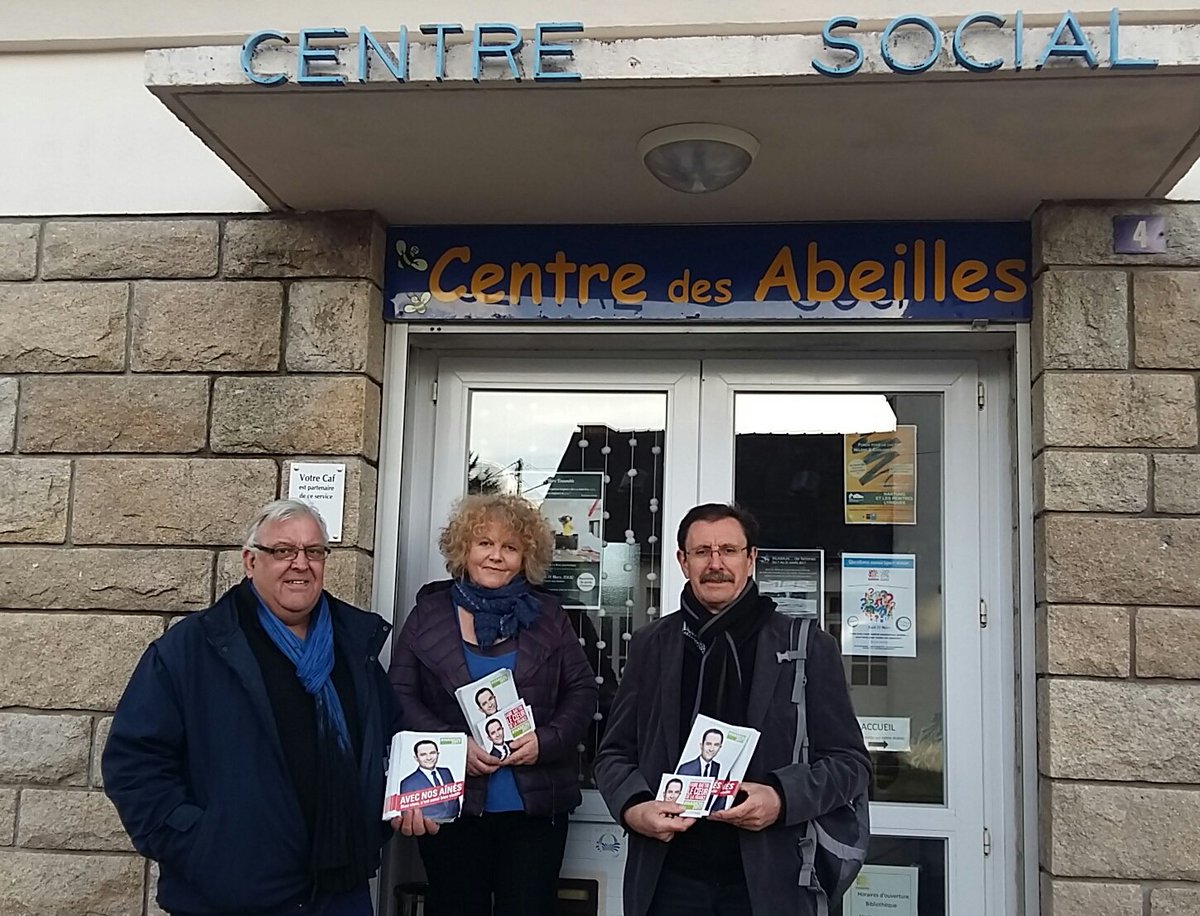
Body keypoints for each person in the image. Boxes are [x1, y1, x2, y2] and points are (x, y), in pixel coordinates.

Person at [102, 499, 408, 916]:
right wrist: (202, 845)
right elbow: (134, 764)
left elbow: (388, 742)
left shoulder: (355, 646)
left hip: (339, 889)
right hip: (230, 893)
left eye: (313, 552)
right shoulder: (191, 649)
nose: (300, 564)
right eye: (283, 551)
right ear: (250, 561)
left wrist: (408, 799)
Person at [594, 503, 870, 916]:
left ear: (751, 558)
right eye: (702, 552)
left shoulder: (805, 646)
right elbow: (613, 754)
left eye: (728, 550)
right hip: (670, 877)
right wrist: (634, 808)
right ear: (682, 562)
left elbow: (852, 765)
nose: (716, 563)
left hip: (770, 876)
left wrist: (781, 797)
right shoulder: (653, 645)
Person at [389, 493, 598, 916]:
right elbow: (397, 695)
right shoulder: (428, 614)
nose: (496, 557)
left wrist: (548, 740)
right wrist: (452, 747)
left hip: (535, 810)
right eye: (484, 543)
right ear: (464, 549)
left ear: (527, 557)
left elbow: (583, 692)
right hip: (453, 806)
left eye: (510, 547)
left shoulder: (550, 616)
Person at [399, 740, 461, 820]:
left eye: (432, 753)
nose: (429, 758)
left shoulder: (446, 772)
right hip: (427, 827)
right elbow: (408, 814)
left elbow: (454, 799)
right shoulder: (408, 783)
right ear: (416, 758)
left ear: (438, 754)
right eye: (423, 754)